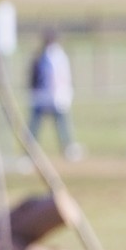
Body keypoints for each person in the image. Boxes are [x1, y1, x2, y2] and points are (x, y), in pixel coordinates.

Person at [28, 29, 82, 160]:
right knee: (40, 126)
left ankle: (68, 151)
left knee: (59, 126)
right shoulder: (55, 56)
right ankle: (30, 153)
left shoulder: (47, 56)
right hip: (50, 96)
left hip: (50, 96)